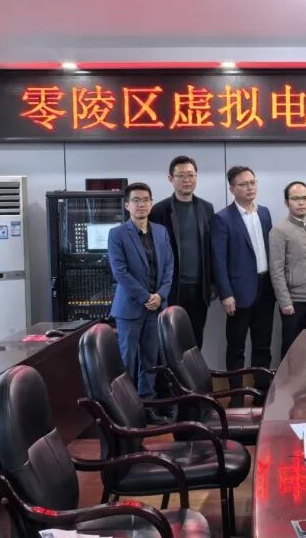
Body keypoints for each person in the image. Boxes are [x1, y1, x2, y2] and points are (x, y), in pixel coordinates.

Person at [107, 182, 173, 424]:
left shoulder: (161, 231)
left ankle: (147, 407)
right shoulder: (117, 234)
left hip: (156, 308)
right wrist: (146, 297)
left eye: (145, 200)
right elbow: (120, 272)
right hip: (130, 309)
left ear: (151, 203)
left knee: (149, 360)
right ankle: (124, 411)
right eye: (136, 200)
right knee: (126, 361)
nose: (141, 204)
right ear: (127, 205)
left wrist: (160, 295)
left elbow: (169, 267)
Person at [212, 166, 275, 397]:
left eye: (252, 182)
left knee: (263, 345)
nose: (250, 188)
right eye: (243, 184)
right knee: (237, 347)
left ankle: (262, 393)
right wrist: (225, 293)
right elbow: (218, 260)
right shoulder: (222, 218)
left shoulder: (265, 213)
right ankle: (236, 395)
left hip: (265, 287)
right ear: (232, 189)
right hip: (238, 293)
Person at [149, 155, 214, 349]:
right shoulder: (159, 211)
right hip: (172, 287)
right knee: (170, 341)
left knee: (196, 338)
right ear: (170, 179)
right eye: (181, 175)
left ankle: (193, 370)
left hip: (200, 288)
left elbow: (211, 249)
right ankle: (171, 371)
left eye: (191, 175)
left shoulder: (206, 208)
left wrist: (213, 284)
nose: (187, 180)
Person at [269, 181, 306, 357]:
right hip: (294, 302)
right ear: (287, 202)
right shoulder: (279, 231)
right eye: (296, 199)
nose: (301, 202)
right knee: (292, 349)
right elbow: (276, 269)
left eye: (305, 198)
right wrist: (285, 301)